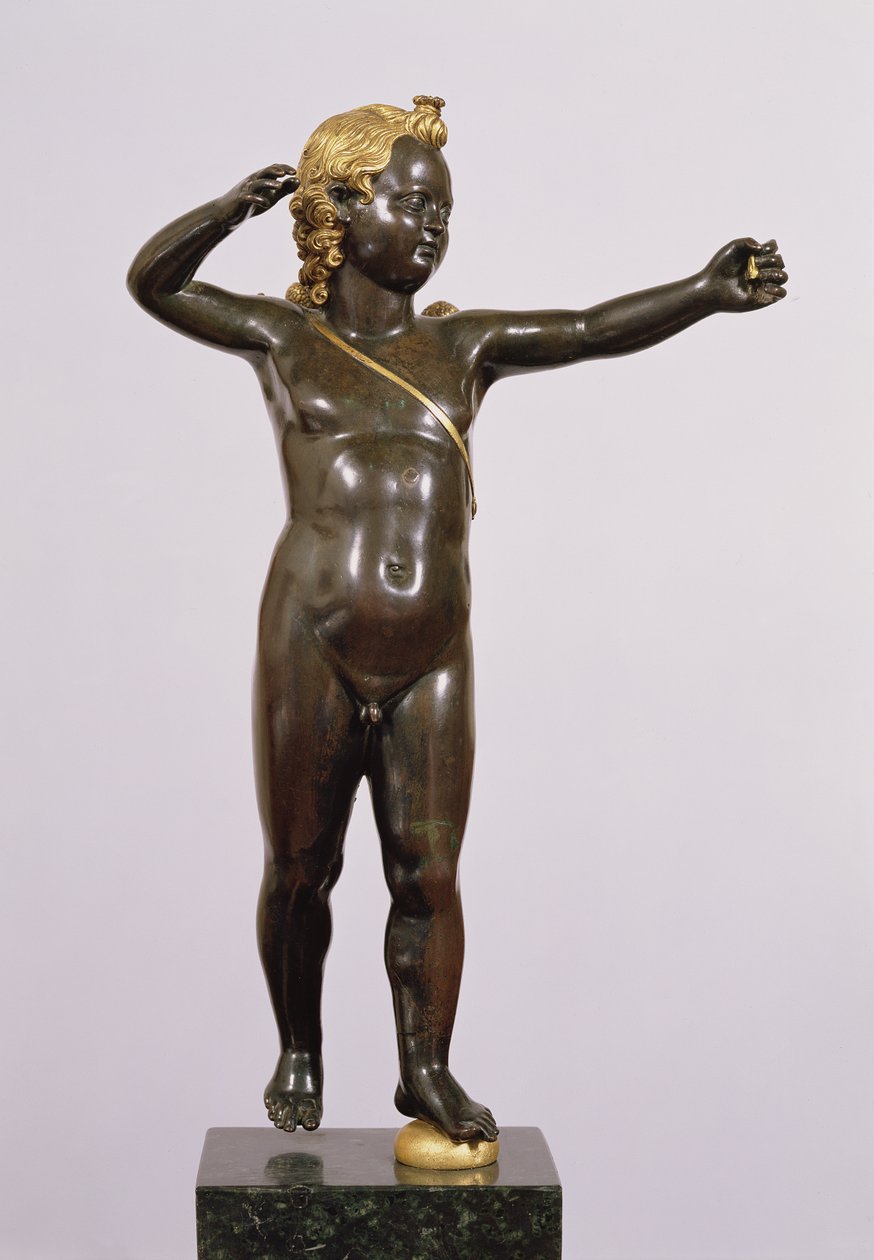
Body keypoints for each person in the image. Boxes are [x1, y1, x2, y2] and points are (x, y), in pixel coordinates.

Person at [127, 95, 787, 1144]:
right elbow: (154, 284)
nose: (435, 228)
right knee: (301, 869)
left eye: (446, 211)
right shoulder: (286, 339)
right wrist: (225, 210)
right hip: (312, 639)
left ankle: (424, 1068)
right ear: (344, 206)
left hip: (432, 649)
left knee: (427, 874)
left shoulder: (462, 347)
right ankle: (299, 1047)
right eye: (414, 204)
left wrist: (704, 292)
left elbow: (586, 330)